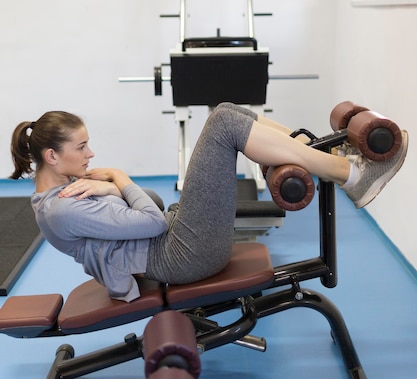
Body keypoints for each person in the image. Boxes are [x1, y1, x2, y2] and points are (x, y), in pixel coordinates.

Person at [10, 103, 408, 302]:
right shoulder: (63, 207)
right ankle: (349, 176)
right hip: (182, 256)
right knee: (223, 126)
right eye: (81, 147)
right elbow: (153, 222)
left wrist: (115, 190)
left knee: (227, 111)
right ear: (51, 156)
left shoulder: (69, 195)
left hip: (176, 244)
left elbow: (150, 204)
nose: (91, 154)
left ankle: (325, 155)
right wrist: (121, 178)